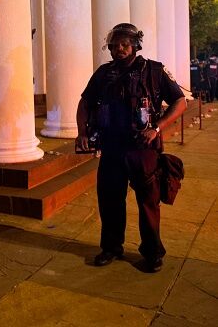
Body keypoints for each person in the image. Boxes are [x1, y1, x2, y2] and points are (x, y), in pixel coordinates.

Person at [75, 23, 186, 273]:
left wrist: (157, 127)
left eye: (125, 44)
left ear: (136, 45)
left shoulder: (154, 71)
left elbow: (180, 102)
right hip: (111, 148)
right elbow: (85, 102)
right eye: (115, 45)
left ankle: (153, 252)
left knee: (148, 202)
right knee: (110, 200)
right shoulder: (104, 73)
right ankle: (112, 247)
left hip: (142, 148)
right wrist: (82, 131)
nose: (119, 49)